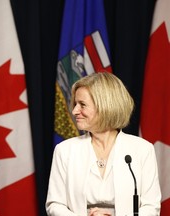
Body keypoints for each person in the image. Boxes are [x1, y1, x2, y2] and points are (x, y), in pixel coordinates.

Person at [46, 72, 161, 216]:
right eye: (75, 104)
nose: (75, 111)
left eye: (82, 105)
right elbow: (55, 204)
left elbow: (151, 207)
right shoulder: (65, 150)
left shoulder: (142, 149)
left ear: (105, 105)